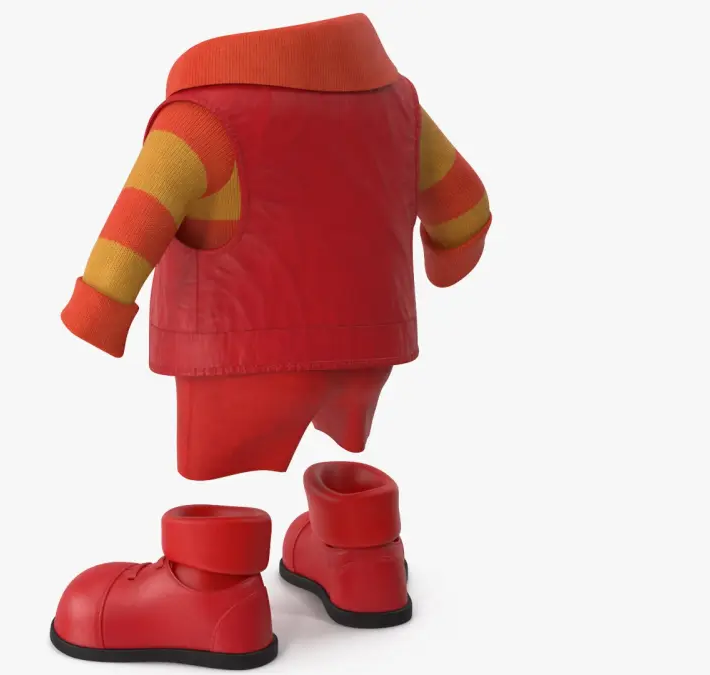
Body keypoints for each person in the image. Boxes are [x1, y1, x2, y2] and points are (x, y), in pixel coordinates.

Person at [52, 13, 493, 669]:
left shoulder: (202, 120)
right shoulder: (398, 107)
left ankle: (210, 589)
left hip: (232, 361)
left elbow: (133, 227)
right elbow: (466, 208)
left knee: (219, 464)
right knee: (342, 459)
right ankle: (363, 552)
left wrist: (98, 310)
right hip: (367, 354)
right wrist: (447, 257)